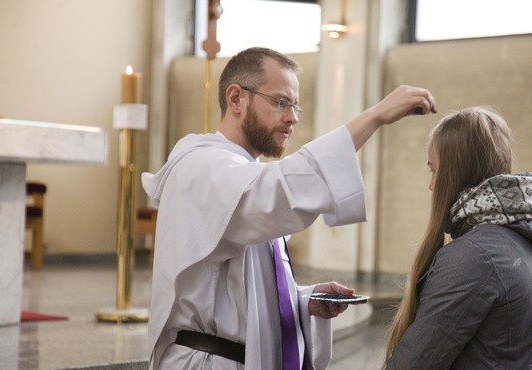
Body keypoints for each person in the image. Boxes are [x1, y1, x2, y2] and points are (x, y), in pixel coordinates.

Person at [141, 47, 437, 370]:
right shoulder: (201, 167)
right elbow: (279, 192)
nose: (293, 118)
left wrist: (304, 300)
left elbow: (237, 290)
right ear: (236, 99)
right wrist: (374, 116)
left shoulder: (242, 174)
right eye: (281, 102)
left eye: (296, 106)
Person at [383, 107, 532, 369]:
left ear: (455, 173)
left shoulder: (475, 255)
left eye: (434, 170)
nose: (431, 185)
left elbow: (414, 363)